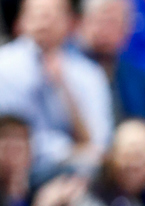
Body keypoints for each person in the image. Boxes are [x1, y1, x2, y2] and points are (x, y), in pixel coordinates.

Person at [0, 0, 113, 180]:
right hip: (11, 168)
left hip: (73, 171)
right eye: (37, 14)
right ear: (20, 21)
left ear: (70, 23)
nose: (44, 22)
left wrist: (63, 87)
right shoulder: (3, 65)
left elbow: (99, 143)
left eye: (52, 15)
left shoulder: (88, 73)